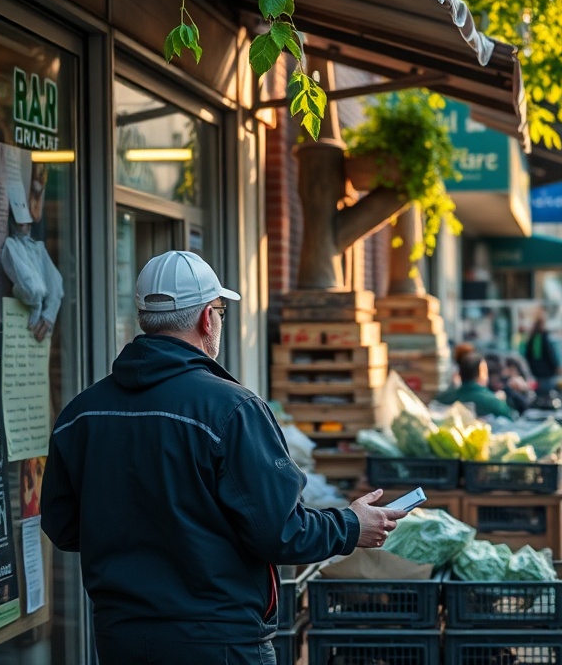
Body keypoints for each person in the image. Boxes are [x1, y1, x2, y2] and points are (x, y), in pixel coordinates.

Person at [40, 251, 405, 665]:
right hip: (220, 641)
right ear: (206, 320)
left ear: (146, 317)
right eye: (220, 310)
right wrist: (351, 525)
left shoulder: (81, 412)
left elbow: (64, 527)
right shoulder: (232, 410)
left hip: (120, 639)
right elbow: (281, 532)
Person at [435, 352, 518, 420]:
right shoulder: (493, 402)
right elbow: (511, 418)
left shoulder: (444, 398)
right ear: (481, 373)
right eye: (485, 371)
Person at [523, 310, 560, 394]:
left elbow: (528, 356)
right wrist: (555, 367)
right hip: (547, 374)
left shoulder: (532, 338)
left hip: (536, 373)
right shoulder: (545, 338)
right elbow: (551, 355)